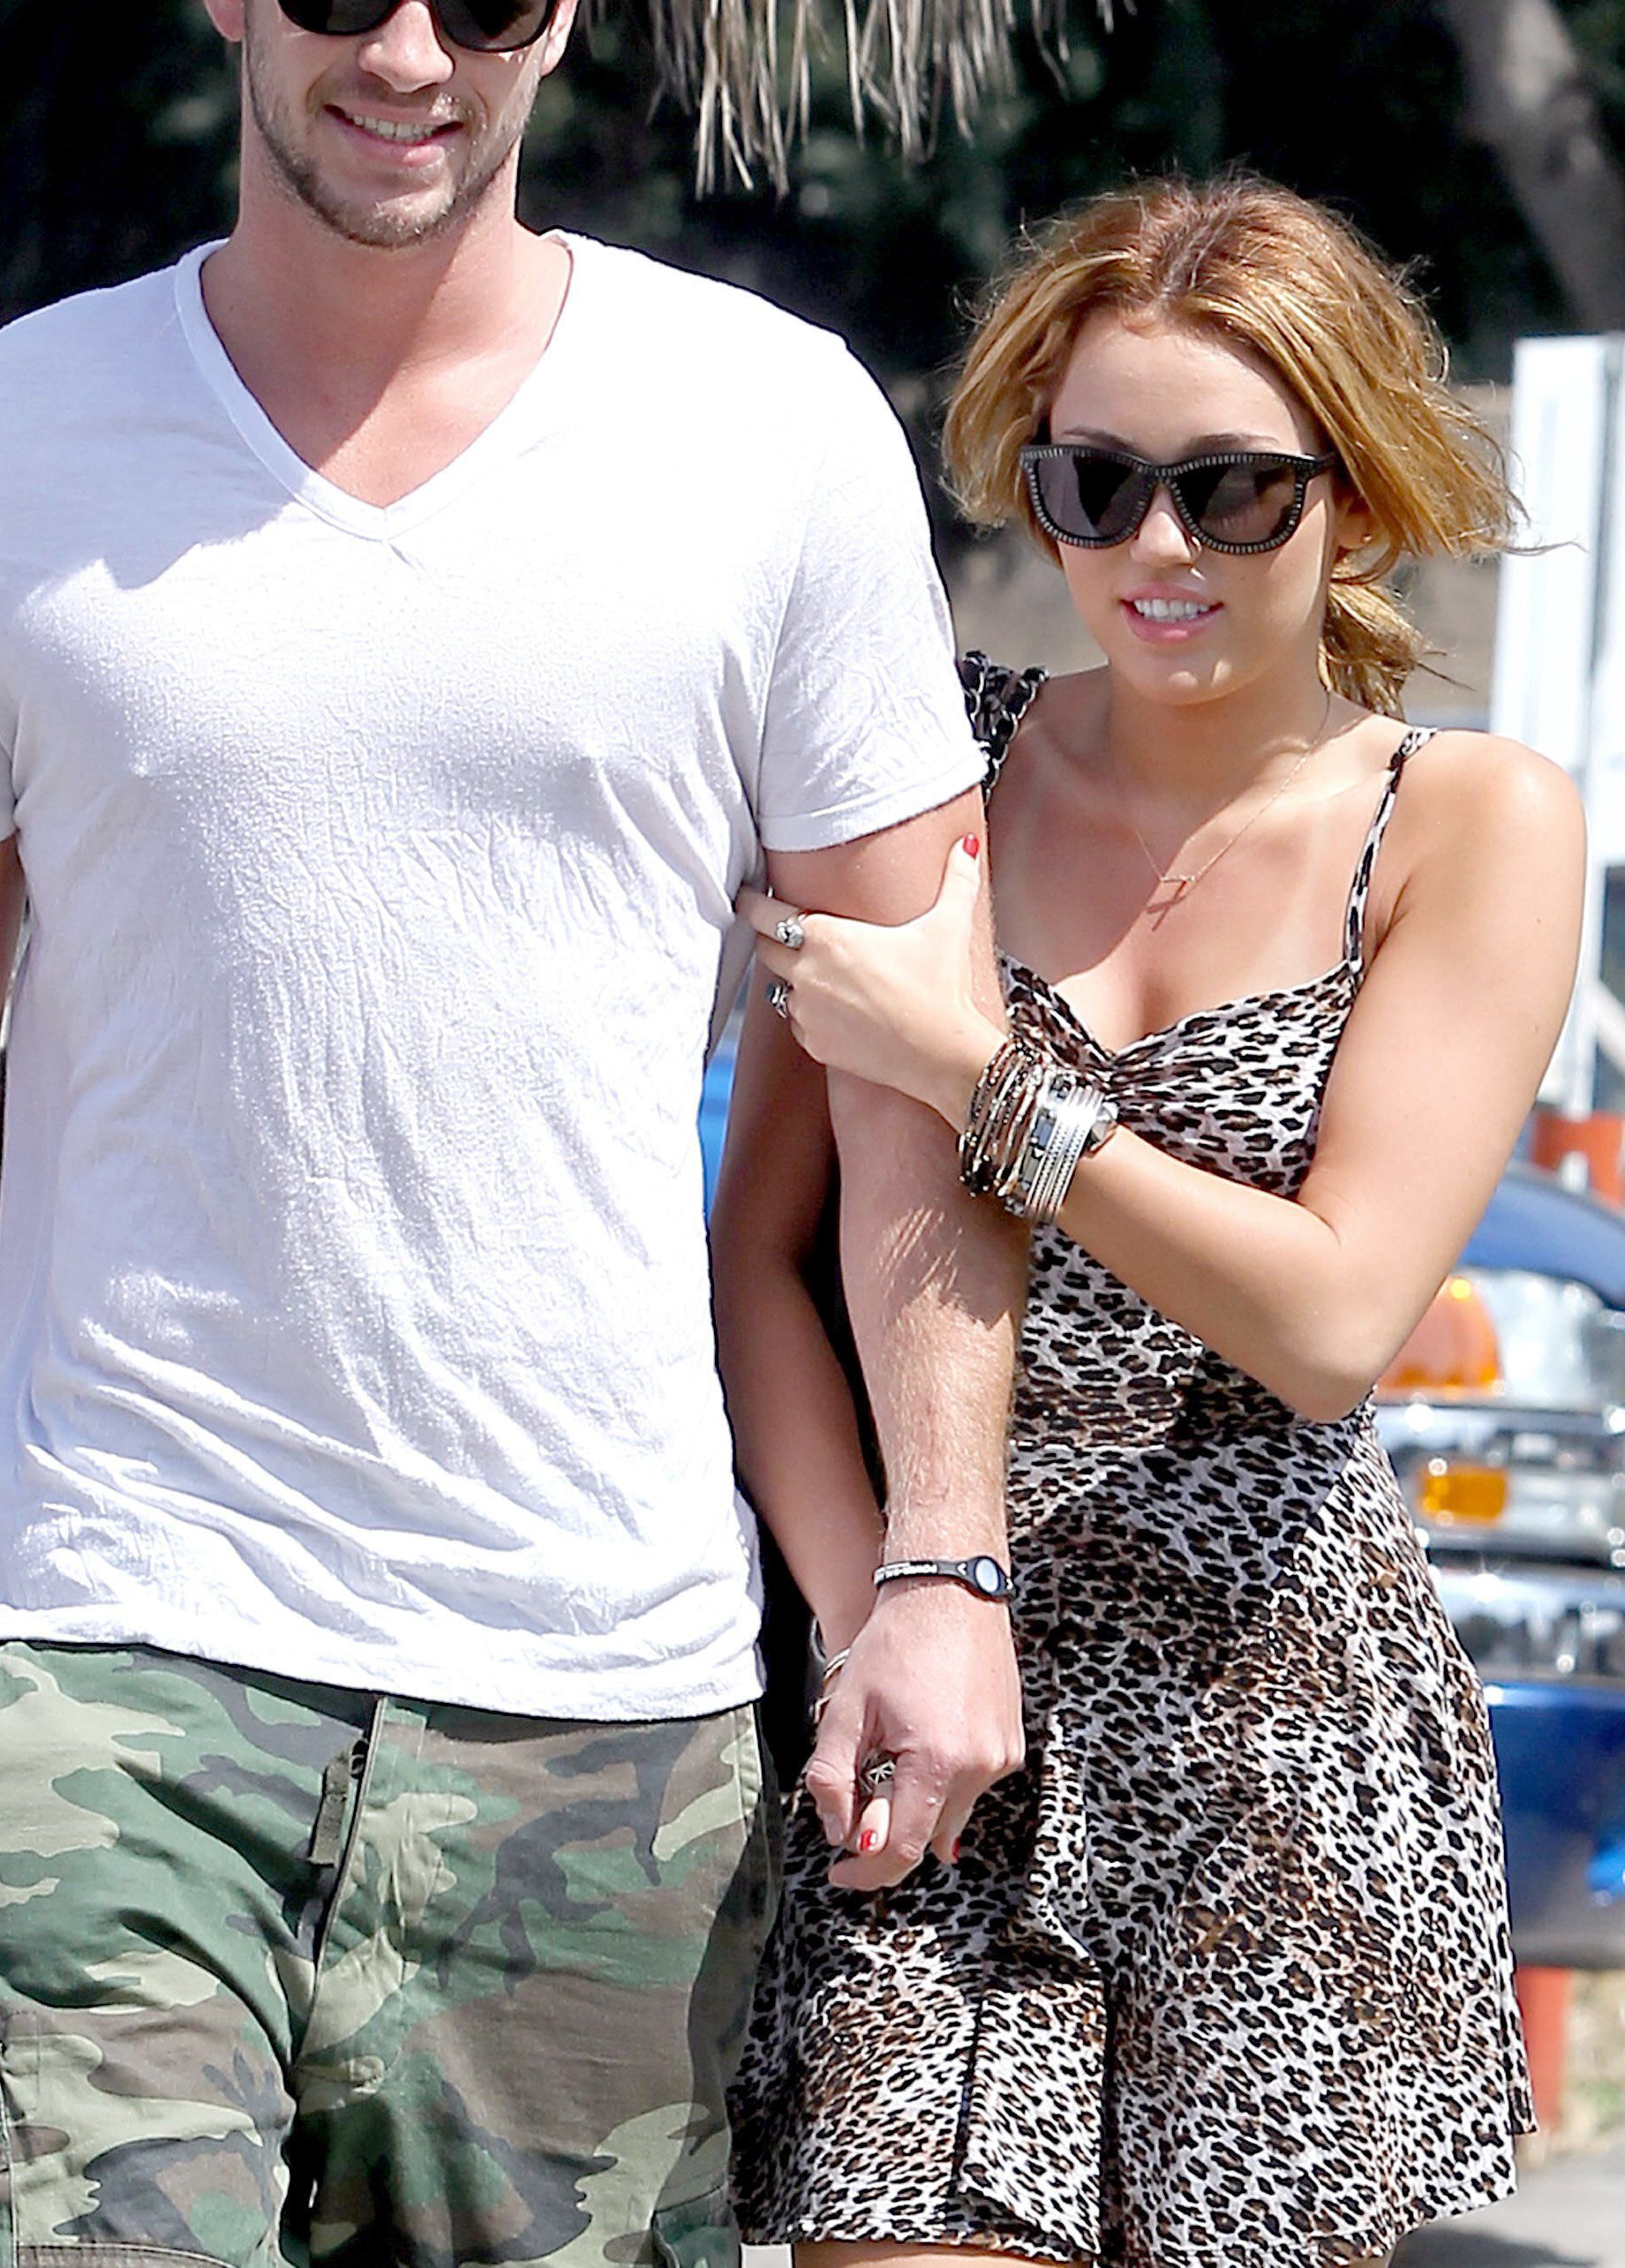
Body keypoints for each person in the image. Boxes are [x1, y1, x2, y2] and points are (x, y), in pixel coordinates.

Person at [0, 0, 1026, 2266]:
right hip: (125, 1654)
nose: (404, 54)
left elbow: (913, 1075)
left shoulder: (767, 438)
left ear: (561, 13)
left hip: (594, 1689)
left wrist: (937, 1570)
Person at [718, 174, 1585, 2267]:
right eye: (1093, 485)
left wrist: (979, 1076)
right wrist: (872, 1617)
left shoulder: (1464, 822)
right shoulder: (935, 764)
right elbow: (754, 1269)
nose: (1156, 550)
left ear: (1351, 500)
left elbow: (1331, 1320)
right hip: (925, 1715)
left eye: (1232, 492)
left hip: (1267, 1744)